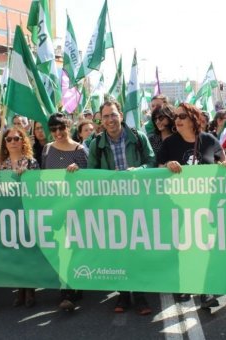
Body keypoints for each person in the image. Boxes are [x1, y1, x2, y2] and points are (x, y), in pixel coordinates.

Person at [157, 102, 226, 310]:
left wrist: (224, 166)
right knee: (183, 246)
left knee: (204, 247)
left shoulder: (208, 140)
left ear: (193, 119)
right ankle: (184, 283)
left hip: (205, 205)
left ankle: (205, 290)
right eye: (176, 117)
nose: (177, 120)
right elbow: (159, 168)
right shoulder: (170, 143)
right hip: (178, 205)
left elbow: (222, 162)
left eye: (182, 116)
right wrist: (167, 166)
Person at [87, 100, 155, 315]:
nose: (110, 120)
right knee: (119, 250)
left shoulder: (138, 138)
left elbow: (152, 162)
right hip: (112, 205)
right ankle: (124, 295)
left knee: (138, 249)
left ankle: (141, 296)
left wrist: (139, 170)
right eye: (105, 116)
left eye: (113, 115)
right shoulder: (96, 144)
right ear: (101, 119)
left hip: (137, 203)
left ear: (121, 116)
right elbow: (91, 173)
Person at [41, 113, 88, 311]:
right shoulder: (46, 149)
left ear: (69, 127)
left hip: (75, 207)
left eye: (62, 128)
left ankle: (73, 287)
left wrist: (79, 169)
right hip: (54, 206)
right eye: (53, 129)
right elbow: (42, 177)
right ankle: (65, 286)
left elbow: (89, 179)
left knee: (74, 247)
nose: (58, 133)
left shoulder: (80, 150)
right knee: (59, 248)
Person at [0, 127, 39, 308]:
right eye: (9, 139)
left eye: (16, 138)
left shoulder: (31, 162)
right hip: (8, 212)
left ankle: (30, 289)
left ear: (23, 141)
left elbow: (39, 186)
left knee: (28, 251)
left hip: (27, 211)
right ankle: (20, 288)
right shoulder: (1, 164)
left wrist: (26, 177)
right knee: (16, 253)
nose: (13, 142)